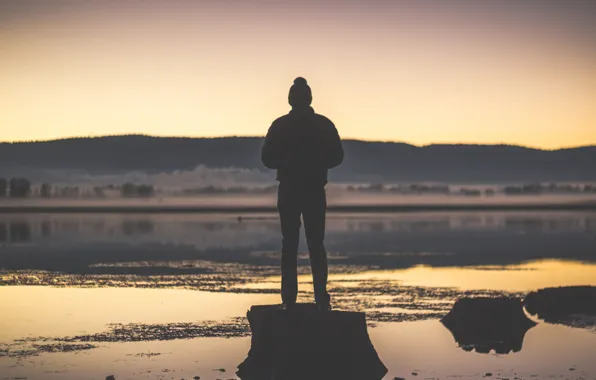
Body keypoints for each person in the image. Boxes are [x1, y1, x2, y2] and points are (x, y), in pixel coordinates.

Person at [261, 77, 344, 312]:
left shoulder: (280, 125)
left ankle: (289, 298)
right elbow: (337, 157)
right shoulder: (323, 124)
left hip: (290, 189)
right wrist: (317, 164)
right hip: (313, 189)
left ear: (291, 99)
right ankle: (320, 297)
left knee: (290, 244)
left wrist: (287, 163)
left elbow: (266, 159)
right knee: (316, 244)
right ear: (309, 99)